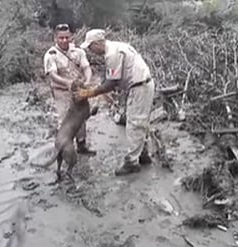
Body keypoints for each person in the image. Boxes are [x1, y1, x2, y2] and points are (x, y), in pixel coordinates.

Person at [75, 29, 155, 176]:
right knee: (140, 122)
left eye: (91, 47)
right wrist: (99, 89)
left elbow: (111, 83)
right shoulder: (116, 46)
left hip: (140, 86)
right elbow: (110, 78)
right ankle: (143, 155)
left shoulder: (112, 54)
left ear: (98, 43)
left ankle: (132, 162)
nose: (91, 51)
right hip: (140, 85)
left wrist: (90, 93)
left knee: (134, 125)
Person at [43, 23, 96, 155]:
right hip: (62, 92)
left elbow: (86, 68)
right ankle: (65, 148)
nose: (64, 40)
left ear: (71, 37)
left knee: (81, 117)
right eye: (61, 38)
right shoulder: (51, 54)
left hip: (79, 91)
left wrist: (88, 81)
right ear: (55, 38)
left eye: (67, 37)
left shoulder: (78, 52)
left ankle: (81, 145)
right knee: (66, 119)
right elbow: (53, 75)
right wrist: (67, 83)